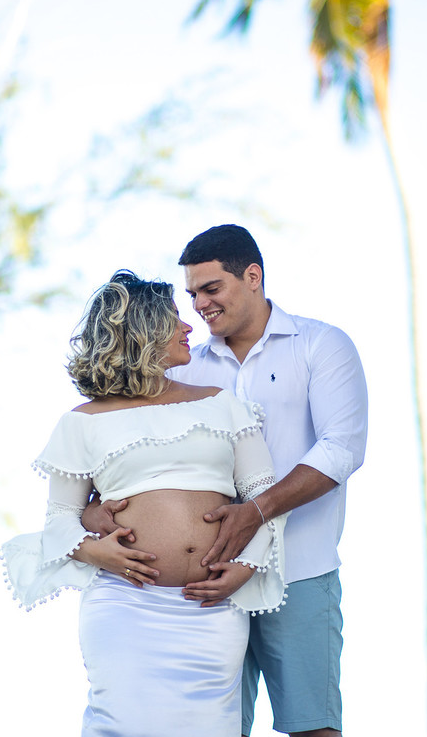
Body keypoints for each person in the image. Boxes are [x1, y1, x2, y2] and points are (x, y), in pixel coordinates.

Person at [86, 226, 369, 737]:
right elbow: (128, 454)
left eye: (210, 289)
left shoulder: (320, 345)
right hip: (205, 588)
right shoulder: (185, 370)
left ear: (252, 276)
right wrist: (95, 513)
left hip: (300, 571)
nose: (198, 305)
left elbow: (341, 449)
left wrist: (255, 513)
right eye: (191, 294)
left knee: (313, 728)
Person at [0, 270, 287, 737]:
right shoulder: (82, 423)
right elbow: (59, 520)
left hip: (210, 613)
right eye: (175, 318)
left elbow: (265, 498)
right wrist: (97, 551)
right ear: (144, 331)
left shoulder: (222, 403)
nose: (189, 327)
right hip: (126, 609)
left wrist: (249, 567)